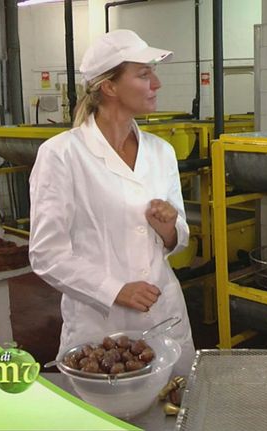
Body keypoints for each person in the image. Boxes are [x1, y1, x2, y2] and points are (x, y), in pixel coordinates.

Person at [29, 29, 195, 376]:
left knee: (173, 399)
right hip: (101, 320)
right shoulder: (61, 155)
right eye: (144, 74)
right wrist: (115, 290)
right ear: (109, 87)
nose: (157, 84)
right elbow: (46, 253)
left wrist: (168, 228)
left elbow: (178, 237)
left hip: (163, 312)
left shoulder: (161, 152)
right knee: (107, 403)